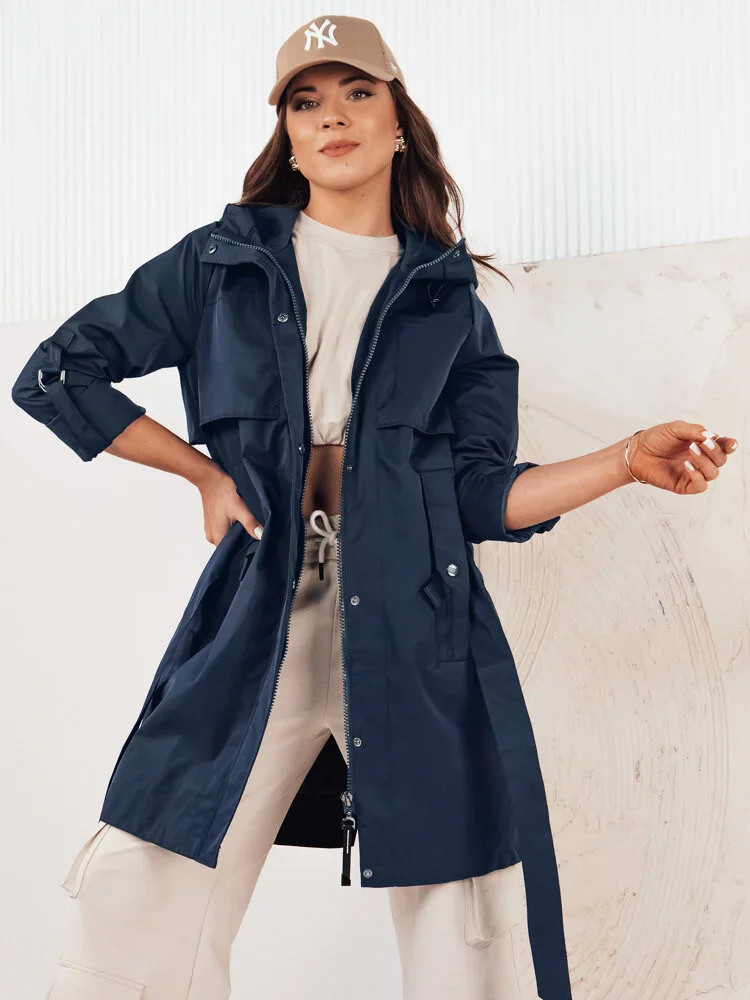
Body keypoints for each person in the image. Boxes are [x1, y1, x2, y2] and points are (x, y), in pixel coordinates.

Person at [11, 14, 738, 1000]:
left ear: (399, 125)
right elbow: (59, 372)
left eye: (358, 94)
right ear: (287, 136)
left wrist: (624, 461)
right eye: (306, 103)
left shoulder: (448, 301)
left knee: (466, 912)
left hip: (418, 615)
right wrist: (202, 475)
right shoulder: (220, 263)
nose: (333, 117)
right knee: (150, 870)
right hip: (259, 609)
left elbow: (483, 494)